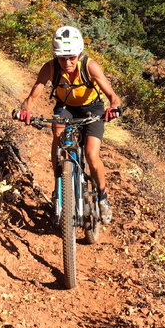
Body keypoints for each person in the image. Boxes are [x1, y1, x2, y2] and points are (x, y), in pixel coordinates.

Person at [16, 26, 122, 224]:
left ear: (79, 53)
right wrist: (25, 110)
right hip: (65, 106)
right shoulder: (50, 67)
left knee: (91, 154)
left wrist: (114, 107)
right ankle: (60, 184)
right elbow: (33, 94)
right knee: (57, 137)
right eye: (61, 58)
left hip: (92, 109)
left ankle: (102, 196)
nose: (67, 62)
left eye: (71, 57)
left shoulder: (89, 66)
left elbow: (112, 95)